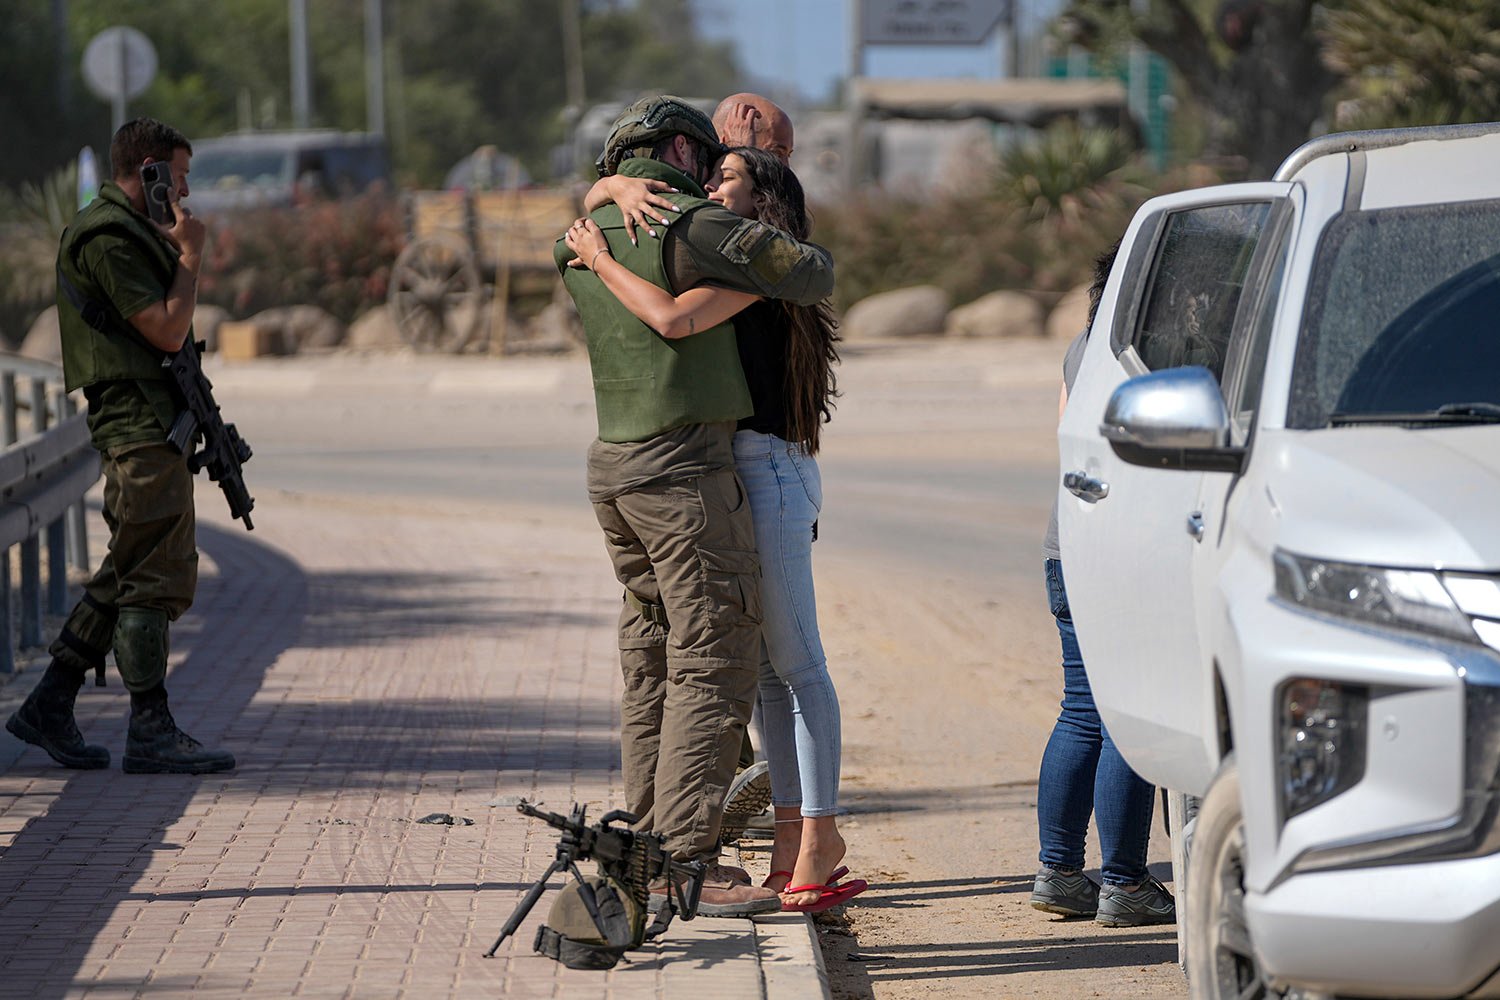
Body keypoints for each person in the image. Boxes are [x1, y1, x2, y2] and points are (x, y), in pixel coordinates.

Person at [553, 96, 834, 917]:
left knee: (650, 660)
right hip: (683, 467)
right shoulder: (690, 227)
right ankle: (681, 861)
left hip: (615, 467)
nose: (710, 176)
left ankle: (642, 840)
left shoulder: (587, 232)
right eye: (705, 161)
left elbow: (589, 228)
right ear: (680, 148)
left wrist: (601, 195)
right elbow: (812, 271)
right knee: (712, 661)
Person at [5, 118, 235, 775]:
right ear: (148, 171)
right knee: (145, 575)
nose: (186, 193)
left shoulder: (137, 233)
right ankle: (149, 728)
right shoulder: (104, 235)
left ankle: (54, 702)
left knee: (139, 567)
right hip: (134, 424)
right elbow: (164, 329)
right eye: (179, 176)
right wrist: (188, 257)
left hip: (153, 421)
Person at [1031, 244, 1174, 926]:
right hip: (1124, 554)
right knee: (1128, 717)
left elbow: (1068, 432)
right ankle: (1124, 882)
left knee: (1083, 709)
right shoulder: (1160, 346)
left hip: (1070, 545)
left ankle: (1058, 873)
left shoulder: (1087, 341)